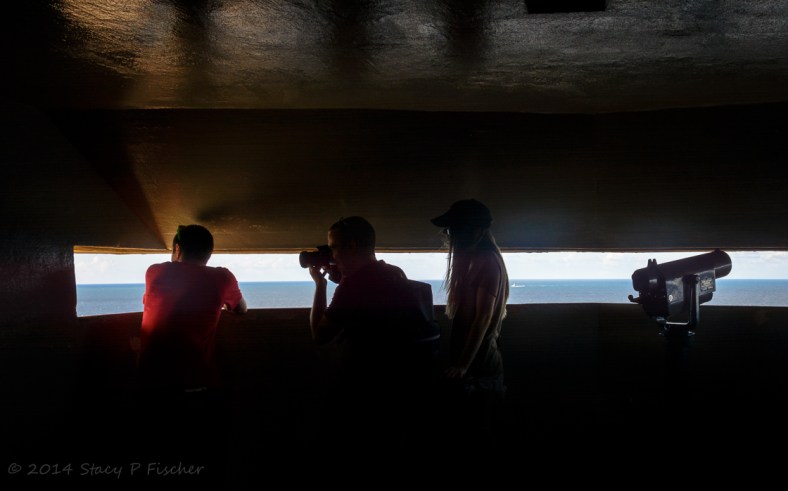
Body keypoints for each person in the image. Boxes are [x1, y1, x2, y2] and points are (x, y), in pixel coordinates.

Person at [308, 216, 437, 463]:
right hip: (401, 386)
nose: (333, 255)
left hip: (365, 392)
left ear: (352, 246)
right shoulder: (395, 272)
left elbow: (320, 335)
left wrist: (320, 285)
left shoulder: (353, 287)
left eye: (334, 247)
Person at [132, 224, 247, 478]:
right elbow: (240, 310)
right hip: (199, 386)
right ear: (209, 253)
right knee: (203, 460)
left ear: (177, 248)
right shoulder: (222, 277)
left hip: (151, 387)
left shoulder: (155, 272)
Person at [431, 198, 510, 452]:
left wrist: (463, 365)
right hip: (477, 368)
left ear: (470, 230)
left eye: (453, 228)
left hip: (480, 370)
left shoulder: (486, 262)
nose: (449, 234)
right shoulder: (480, 260)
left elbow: (482, 319)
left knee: (479, 437)